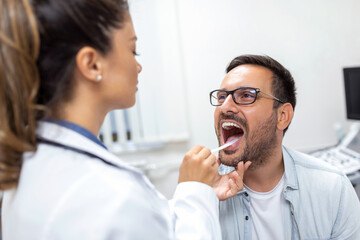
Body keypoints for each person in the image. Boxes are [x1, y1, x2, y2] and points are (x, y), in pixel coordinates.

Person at [0, 0, 248, 239]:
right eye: (133, 50)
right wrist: (194, 191)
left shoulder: (30, 164)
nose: (138, 66)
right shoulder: (113, 196)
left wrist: (200, 195)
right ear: (92, 64)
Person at [209, 54, 360, 239]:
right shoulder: (204, 192)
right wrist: (200, 201)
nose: (224, 107)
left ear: (282, 116)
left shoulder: (333, 188)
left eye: (246, 95)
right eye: (222, 97)